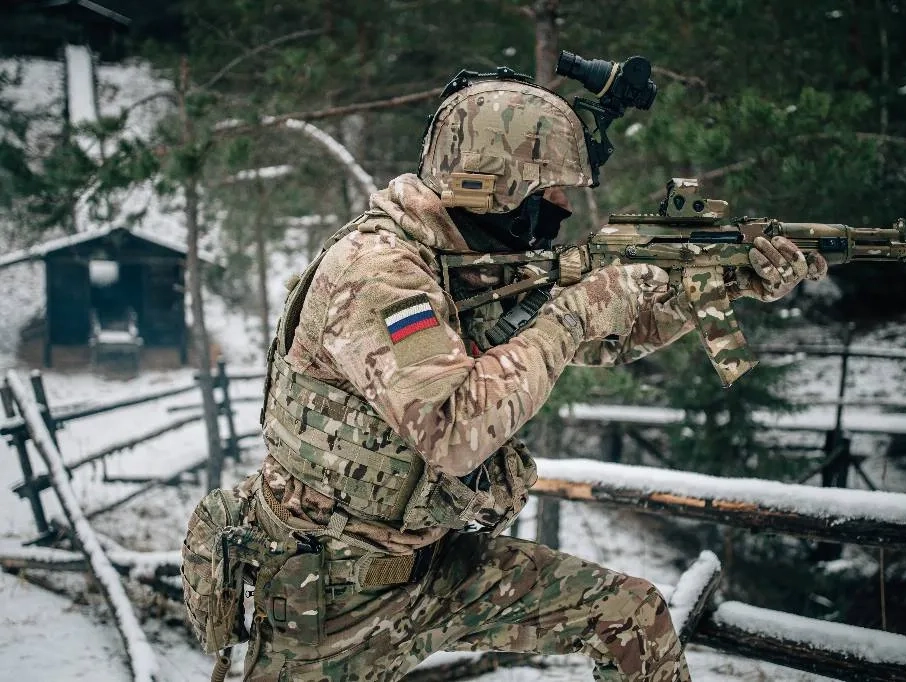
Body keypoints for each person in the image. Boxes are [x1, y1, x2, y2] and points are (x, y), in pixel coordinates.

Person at [183, 70, 827, 682]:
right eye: (551, 192)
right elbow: (455, 429)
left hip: (433, 569)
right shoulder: (379, 273)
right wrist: (573, 314)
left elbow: (608, 337)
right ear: (495, 185)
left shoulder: (464, 261)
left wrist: (725, 282)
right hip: (326, 601)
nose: (565, 209)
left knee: (630, 615)